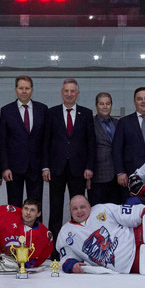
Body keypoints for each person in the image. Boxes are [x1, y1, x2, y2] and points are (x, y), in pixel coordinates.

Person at [42, 78, 95, 237]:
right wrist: (45, 166)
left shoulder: (86, 113)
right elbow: (45, 142)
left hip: (79, 169)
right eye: (66, 91)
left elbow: (91, 143)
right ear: (61, 92)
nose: (69, 94)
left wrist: (89, 166)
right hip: (56, 169)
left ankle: (78, 240)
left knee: (78, 208)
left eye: (73, 91)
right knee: (55, 208)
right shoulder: (51, 113)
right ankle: (54, 245)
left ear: (77, 93)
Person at [56, 195, 145, 274]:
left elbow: (134, 213)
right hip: (131, 263)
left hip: (138, 236)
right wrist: (72, 265)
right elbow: (66, 258)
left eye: (82, 207)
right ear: (70, 211)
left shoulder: (102, 209)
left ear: (89, 207)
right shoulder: (65, 232)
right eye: (75, 208)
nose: (79, 211)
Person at [0, 75, 49, 207]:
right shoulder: (6, 111)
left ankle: (36, 222)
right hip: (14, 168)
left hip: (36, 166)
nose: (24, 91)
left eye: (27, 88)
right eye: (21, 88)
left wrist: (45, 166)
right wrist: (5, 167)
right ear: (16, 90)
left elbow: (45, 141)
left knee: (35, 205)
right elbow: (3, 142)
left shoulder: (42, 109)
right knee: (14, 205)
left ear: (32, 90)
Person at [0, 198, 53, 269]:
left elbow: (39, 259)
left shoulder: (45, 235)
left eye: (32, 210)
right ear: (22, 209)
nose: (28, 213)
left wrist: (24, 263)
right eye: (26, 208)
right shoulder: (8, 213)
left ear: (38, 214)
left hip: (13, 268)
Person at [89, 92, 120, 206]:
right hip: (98, 176)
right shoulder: (90, 124)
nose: (105, 106)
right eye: (101, 104)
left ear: (111, 105)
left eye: (108, 103)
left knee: (115, 210)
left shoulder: (118, 123)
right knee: (98, 211)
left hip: (117, 176)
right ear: (96, 106)